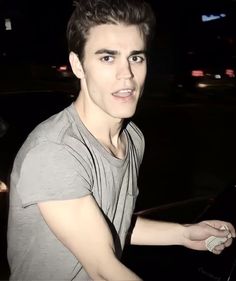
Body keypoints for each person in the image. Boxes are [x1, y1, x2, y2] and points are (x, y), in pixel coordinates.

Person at [7, 0, 235, 280]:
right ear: (78, 65)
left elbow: (112, 223)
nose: (126, 74)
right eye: (107, 57)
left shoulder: (131, 138)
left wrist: (184, 233)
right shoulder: (54, 153)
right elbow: (104, 269)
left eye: (135, 57)